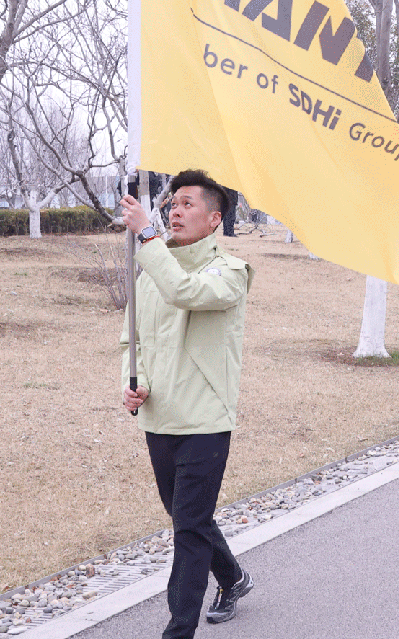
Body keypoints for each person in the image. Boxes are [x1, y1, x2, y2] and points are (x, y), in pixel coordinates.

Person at [119, 170, 256, 639]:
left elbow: (183, 291)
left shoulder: (230, 272)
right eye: (172, 203)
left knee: (188, 528)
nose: (175, 210)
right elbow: (130, 339)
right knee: (187, 519)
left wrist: (148, 235)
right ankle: (234, 578)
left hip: (204, 421)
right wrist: (132, 384)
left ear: (215, 219)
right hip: (160, 419)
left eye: (188, 204)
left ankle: (178, 630)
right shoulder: (150, 269)